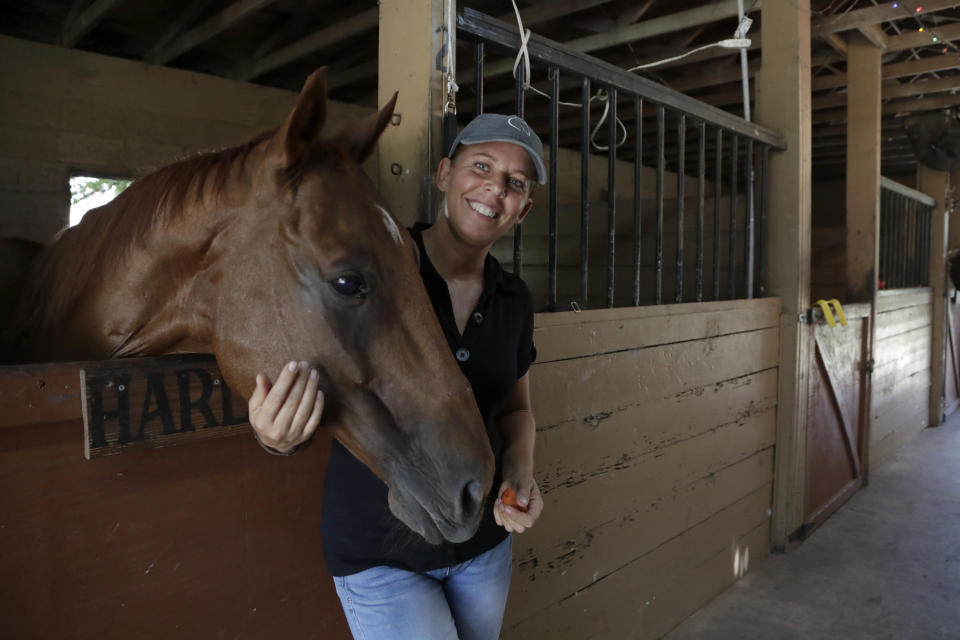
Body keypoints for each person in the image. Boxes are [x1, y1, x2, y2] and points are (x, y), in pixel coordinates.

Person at [246, 113, 546, 640]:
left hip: (482, 545)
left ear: (522, 209)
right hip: (379, 549)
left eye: (515, 183)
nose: (495, 188)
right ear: (445, 174)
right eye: (482, 166)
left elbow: (517, 410)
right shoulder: (373, 273)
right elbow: (306, 376)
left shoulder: (513, 300)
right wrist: (275, 435)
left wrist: (520, 471)